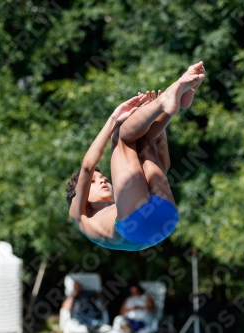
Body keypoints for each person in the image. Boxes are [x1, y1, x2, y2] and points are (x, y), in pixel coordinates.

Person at [66, 61, 206, 250]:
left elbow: (163, 167)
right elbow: (87, 167)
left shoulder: (122, 204)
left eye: (103, 178)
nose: (103, 181)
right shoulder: (80, 215)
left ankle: (178, 97)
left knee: (142, 143)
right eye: (92, 182)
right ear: (80, 194)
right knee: (120, 139)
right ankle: (167, 100)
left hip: (165, 218)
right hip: (138, 223)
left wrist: (157, 126)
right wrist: (113, 119)